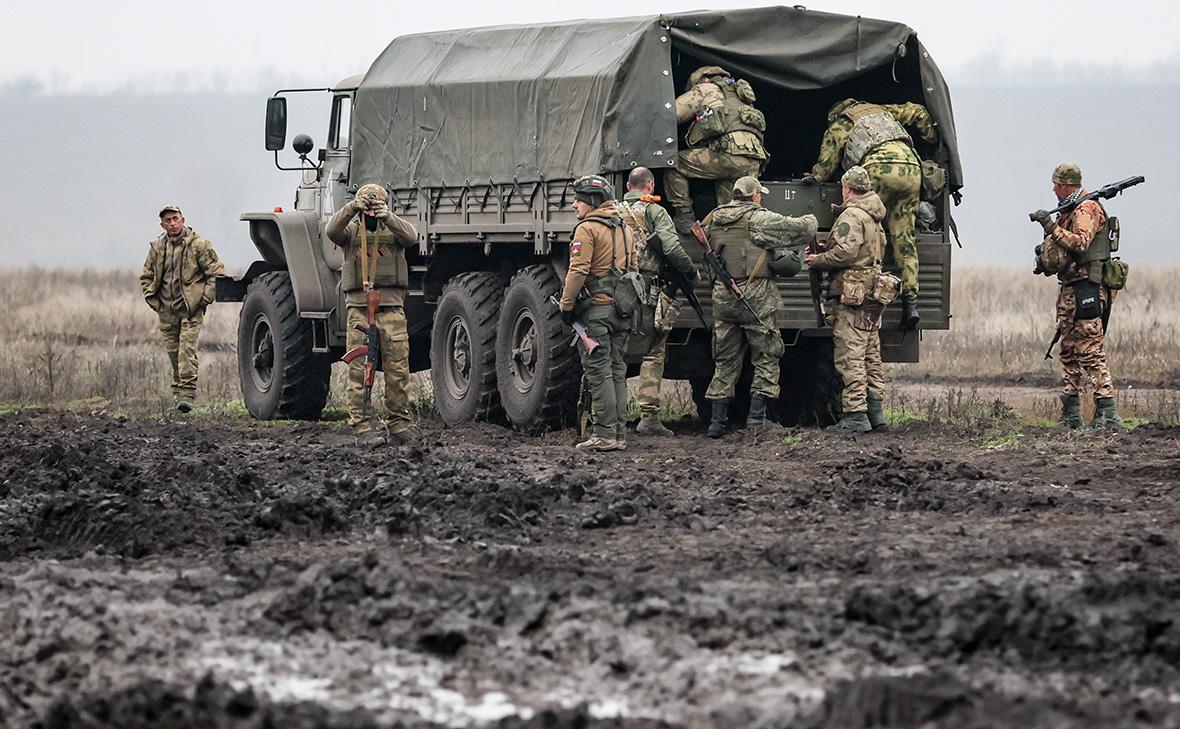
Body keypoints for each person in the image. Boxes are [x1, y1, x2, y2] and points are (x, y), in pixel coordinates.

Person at [804, 99, 938, 332]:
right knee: (904, 239)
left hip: (878, 168)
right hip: (911, 169)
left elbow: (827, 163)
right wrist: (931, 140)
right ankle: (911, 305)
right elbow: (918, 112)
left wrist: (816, 176)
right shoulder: (883, 112)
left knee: (862, 226)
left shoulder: (843, 122)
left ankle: (857, 296)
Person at [703, 176, 816, 438]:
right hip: (756, 298)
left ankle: (717, 423)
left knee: (725, 360)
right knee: (767, 355)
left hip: (723, 297)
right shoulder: (758, 219)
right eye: (760, 194)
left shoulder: (713, 219)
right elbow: (802, 229)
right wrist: (811, 217)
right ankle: (756, 419)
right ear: (754, 196)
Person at [1030, 162, 1122, 429]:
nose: (1053, 189)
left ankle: (1107, 413)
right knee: (1069, 350)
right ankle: (1071, 415)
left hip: (1087, 288)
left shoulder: (1086, 209)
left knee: (1090, 349)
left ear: (1065, 185)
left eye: (1056, 184)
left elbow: (1081, 243)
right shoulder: (1070, 209)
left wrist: (1051, 227)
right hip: (1071, 287)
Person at [326, 183, 418, 446]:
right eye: (367, 206)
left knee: (397, 370)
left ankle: (399, 425)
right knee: (359, 370)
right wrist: (351, 208)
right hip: (360, 311)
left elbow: (411, 237)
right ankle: (361, 426)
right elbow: (331, 230)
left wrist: (388, 217)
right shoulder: (351, 233)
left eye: (375, 205)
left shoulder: (394, 231)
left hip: (392, 310)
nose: (370, 212)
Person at [806, 166, 893, 434]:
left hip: (854, 293)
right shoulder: (873, 215)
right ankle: (876, 414)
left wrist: (818, 259)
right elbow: (866, 250)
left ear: (846, 189)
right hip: (873, 291)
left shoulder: (852, 215)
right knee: (870, 354)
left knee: (850, 355)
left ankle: (856, 416)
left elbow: (846, 252)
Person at [557, 175, 638, 452]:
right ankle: (618, 435)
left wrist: (566, 306)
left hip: (596, 313)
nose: (574, 205)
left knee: (599, 372)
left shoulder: (586, 229)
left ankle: (604, 435)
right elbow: (634, 271)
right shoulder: (625, 229)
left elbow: (578, 270)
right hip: (622, 312)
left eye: (578, 200)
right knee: (617, 371)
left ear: (591, 201)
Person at [617, 167, 699, 436]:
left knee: (613, 349)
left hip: (614, 289)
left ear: (628, 186)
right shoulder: (654, 211)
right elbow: (672, 247)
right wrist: (690, 271)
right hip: (645, 290)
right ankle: (649, 418)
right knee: (653, 349)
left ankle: (609, 416)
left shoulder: (612, 211)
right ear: (651, 185)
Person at [139, 204, 224, 413]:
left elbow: (216, 273)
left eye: (175, 219)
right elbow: (146, 276)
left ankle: (187, 394)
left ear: (183, 220)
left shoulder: (199, 245)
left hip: (190, 309)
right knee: (173, 352)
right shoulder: (157, 248)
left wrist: (204, 299)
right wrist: (153, 300)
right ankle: (178, 394)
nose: (173, 223)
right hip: (166, 309)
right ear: (162, 224)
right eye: (168, 220)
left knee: (186, 350)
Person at [665, 66, 768, 236]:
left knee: (673, 162)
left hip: (727, 155)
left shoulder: (705, 89)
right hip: (753, 161)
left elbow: (671, 114)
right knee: (729, 214)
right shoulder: (741, 95)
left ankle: (684, 217)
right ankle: (729, 239)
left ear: (702, 79)